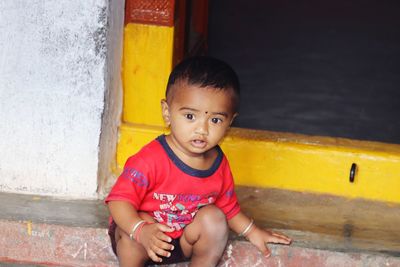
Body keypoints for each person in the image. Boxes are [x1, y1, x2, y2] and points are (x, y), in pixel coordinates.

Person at [105, 56, 291, 267]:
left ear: (229, 122)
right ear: (167, 112)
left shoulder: (218, 163)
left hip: (183, 240)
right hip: (145, 237)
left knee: (215, 219)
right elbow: (118, 201)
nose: (202, 130)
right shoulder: (150, 159)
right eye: (190, 117)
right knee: (130, 230)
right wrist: (140, 230)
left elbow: (228, 207)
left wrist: (254, 232)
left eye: (215, 120)